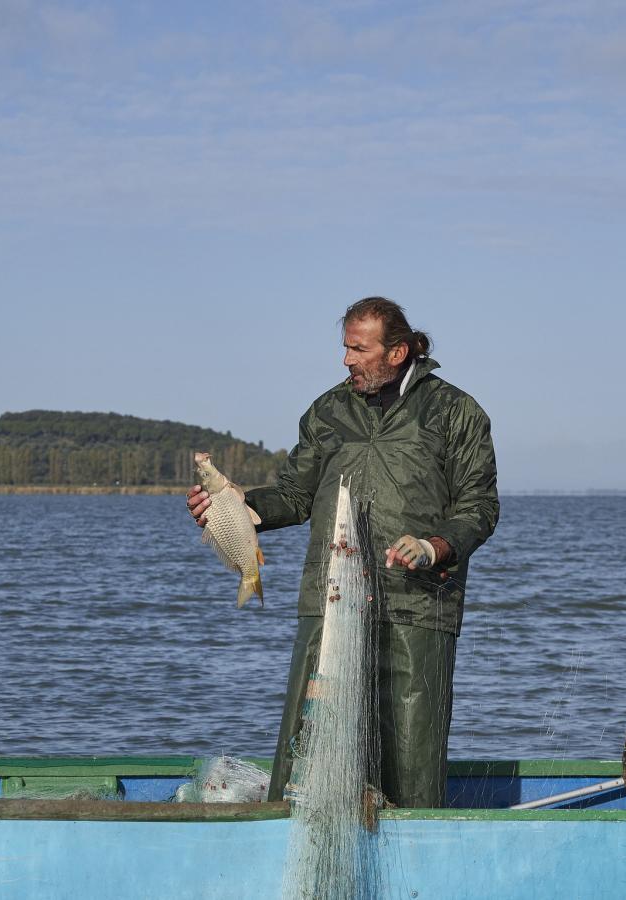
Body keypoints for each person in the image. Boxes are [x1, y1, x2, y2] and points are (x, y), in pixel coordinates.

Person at [187, 297, 499, 808]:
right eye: (345, 348)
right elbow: (293, 495)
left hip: (417, 605)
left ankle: (415, 849)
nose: (347, 360)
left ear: (397, 352)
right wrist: (239, 509)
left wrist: (433, 547)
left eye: (358, 349)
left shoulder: (456, 412)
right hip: (329, 603)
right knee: (308, 745)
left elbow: (479, 507)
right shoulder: (328, 410)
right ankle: (297, 832)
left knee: (412, 751)